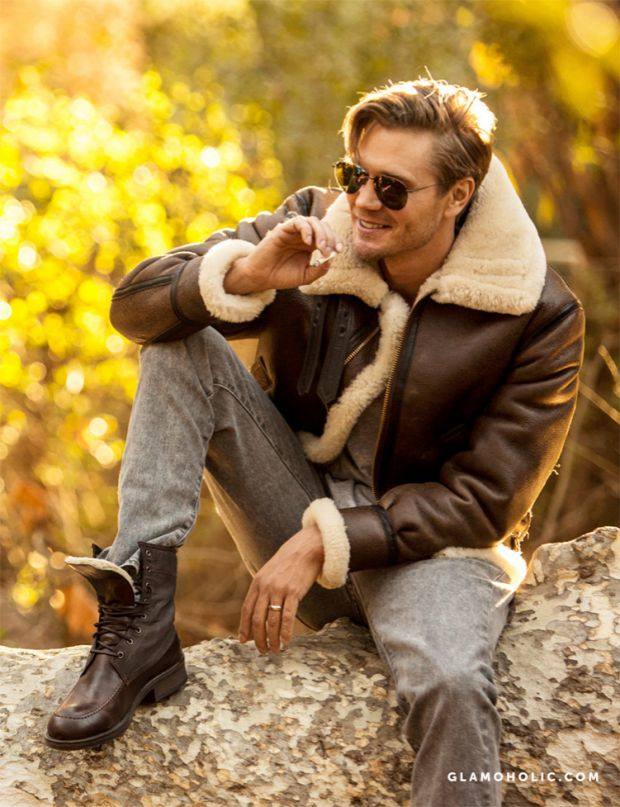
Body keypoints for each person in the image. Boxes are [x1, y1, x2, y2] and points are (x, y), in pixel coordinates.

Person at [45, 78, 584, 807]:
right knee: (181, 345)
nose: (364, 201)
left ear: (459, 195)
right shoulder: (312, 223)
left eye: (393, 189)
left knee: (454, 683)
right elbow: (133, 307)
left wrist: (323, 541)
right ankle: (140, 625)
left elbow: (484, 501)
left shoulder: (538, 311)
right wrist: (246, 273)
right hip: (291, 503)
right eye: (355, 175)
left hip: (432, 554)